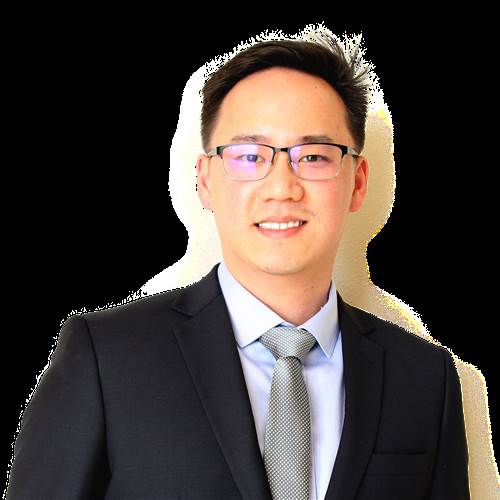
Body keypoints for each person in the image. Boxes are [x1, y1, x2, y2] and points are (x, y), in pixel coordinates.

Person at [6, 35, 470, 499]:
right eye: (250, 156)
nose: (282, 188)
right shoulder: (107, 358)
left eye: (313, 156)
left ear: (358, 181)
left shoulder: (425, 380)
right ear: (205, 179)